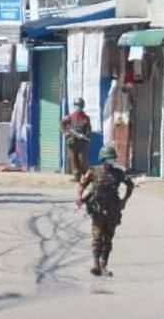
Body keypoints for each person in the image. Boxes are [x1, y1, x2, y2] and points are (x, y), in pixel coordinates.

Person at [76, 146, 134, 277]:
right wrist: (79, 196)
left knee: (108, 239)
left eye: (112, 159)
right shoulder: (93, 171)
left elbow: (130, 185)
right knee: (97, 237)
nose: (110, 161)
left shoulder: (118, 173)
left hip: (113, 210)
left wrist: (124, 201)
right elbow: (82, 184)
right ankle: (95, 264)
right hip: (97, 210)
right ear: (102, 159)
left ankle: (103, 265)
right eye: (108, 159)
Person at [61, 97, 92, 181]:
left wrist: (85, 136)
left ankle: (85, 176)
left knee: (82, 160)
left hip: (82, 143)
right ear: (74, 106)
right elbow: (62, 126)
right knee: (73, 160)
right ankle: (76, 177)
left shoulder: (86, 118)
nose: (78, 107)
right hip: (72, 142)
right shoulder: (70, 117)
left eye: (80, 105)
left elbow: (89, 130)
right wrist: (66, 133)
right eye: (77, 105)